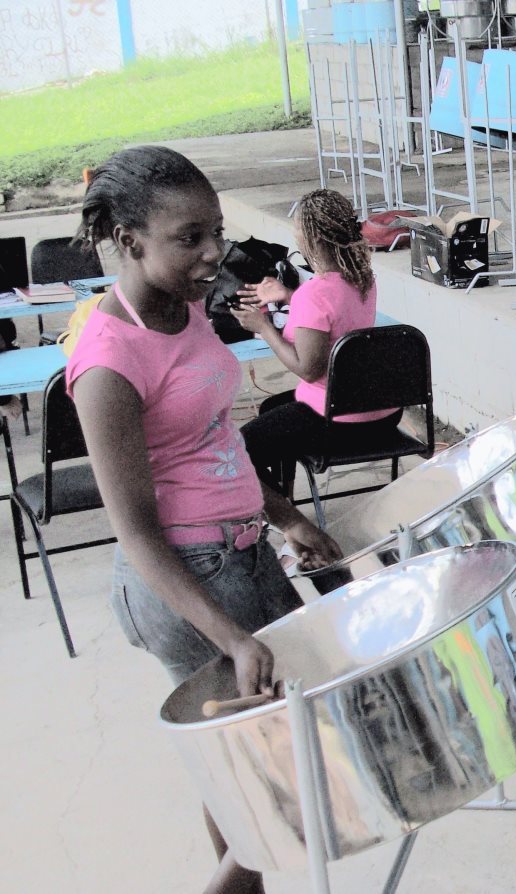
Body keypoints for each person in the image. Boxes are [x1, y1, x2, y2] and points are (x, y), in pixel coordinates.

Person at [66, 145, 342, 894]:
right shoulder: (107, 361)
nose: (214, 252)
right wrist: (229, 636)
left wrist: (283, 517)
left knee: (261, 767)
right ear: (129, 241)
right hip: (187, 582)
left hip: (246, 555)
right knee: (268, 775)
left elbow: (216, 438)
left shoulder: (185, 309)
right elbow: (136, 534)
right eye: (190, 238)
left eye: (214, 231)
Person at [234, 188, 400, 494]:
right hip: (383, 410)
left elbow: (308, 369)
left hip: (339, 422)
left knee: (239, 451)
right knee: (272, 407)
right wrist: (288, 296)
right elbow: (333, 313)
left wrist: (263, 327)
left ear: (311, 239)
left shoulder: (315, 294)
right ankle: (284, 493)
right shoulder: (363, 278)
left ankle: (282, 513)